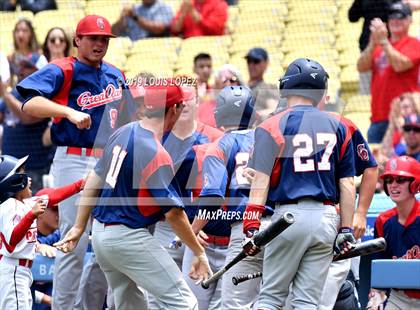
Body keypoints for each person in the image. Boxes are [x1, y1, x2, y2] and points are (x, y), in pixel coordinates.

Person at [54, 83, 212, 310]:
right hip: (128, 238)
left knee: (132, 305)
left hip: (100, 236)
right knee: (184, 303)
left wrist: (80, 226)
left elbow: (94, 180)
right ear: (174, 109)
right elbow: (174, 214)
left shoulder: (122, 131)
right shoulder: (155, 151)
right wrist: (199, 251)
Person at [16, 14, 132, 310]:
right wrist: (66, 112)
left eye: (104, 39)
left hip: (109, 162)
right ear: (77, 40)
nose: (99, 43)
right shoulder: (64, 69)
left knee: (109, 241)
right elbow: (28, 101)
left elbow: (128, 119)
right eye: (93, 38)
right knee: (74, 244)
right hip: (73, 159)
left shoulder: (116, 74)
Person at [243, 58, 357, 309]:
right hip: (327, 218)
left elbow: (260, 181)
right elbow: (347, 183)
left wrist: (251, 224)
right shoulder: (340, 124)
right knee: (307, 302)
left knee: (271, 298)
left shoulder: (271, 125)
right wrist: (346, 229)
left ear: (287, 87)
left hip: (288, 218)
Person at [190, 85, 268, 309]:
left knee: (235, 303)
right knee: (272, 299)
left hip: (245, 227)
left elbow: (212, 198)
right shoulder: (267, 138)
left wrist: (192, 230)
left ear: (219, 115)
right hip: (279, 225)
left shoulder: (220, 145)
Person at [357, 2, 420, 143]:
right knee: (377, 163)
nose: (395, 21)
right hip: (377, 118)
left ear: (410, 20)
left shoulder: (414, 43)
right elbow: (361, 66)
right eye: (391, 17)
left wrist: (384, 41)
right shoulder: (378, 46)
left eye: (401, 17)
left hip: (405, 118)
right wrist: (373, 43)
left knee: (403, 163)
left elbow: (400, 65)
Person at [367, 156, 420, 309]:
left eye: (400, 180)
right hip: (399, 298)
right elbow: (381, 270)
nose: (393, 185)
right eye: (389, 180)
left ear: (415, 183)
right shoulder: (383, 221)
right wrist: (375, 299)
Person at [0, 155, 47, 309]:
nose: (28, 178)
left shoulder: (19, 203)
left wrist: (79, 185)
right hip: (12, 269)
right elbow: (13, 240)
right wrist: (31, 215)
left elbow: (53, 196)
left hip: (17, 271)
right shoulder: (8, 206)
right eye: (22, 172)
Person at [0, 59, 52, 193]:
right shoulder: (13, 94)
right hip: (8, 169)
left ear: (40, 70)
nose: (22, 70)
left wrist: (4, 93)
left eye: (27, 66)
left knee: (32, 211)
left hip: (34, 168)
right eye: (20, 66)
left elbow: (28, 117)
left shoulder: (43, 93)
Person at [8, 19, 48, 86]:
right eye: (17, 31)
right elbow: (10, 83)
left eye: (25, 31)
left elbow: (46, 79)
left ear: (31, 34)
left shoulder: (39, 56)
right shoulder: (11, 57)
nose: (20, 35)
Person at [382, 92, 420, 158]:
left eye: (406, 107)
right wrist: (393, 123)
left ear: (415, 108)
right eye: (400, 108)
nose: (402, 111)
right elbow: (385, 150)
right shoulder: (398, 131)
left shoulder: (416, 130)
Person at [245, 47, 279, 118]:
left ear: (266, 63)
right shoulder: (240, 86)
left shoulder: (267, 88)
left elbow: (274, 110)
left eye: (256, 61)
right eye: (249, 61)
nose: (251, 65)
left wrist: (249, 117)